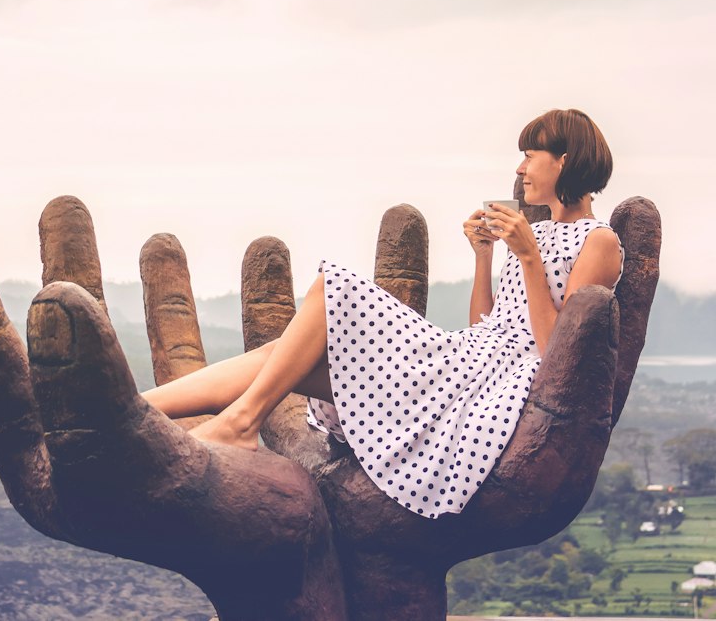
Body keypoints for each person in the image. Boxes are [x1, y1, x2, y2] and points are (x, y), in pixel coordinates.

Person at [142, 107, 623, 519]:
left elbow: (559, 350)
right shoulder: (532, 236)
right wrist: (484, 256)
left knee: (334, 287)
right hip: (473, 355)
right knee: (284, 353)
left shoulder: (599, 241)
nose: (520, 169)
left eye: (530, 155)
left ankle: (241, 423)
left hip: (497, 385)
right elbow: (489, 324)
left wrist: (528, 258)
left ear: (564, 161)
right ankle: (137, 408)